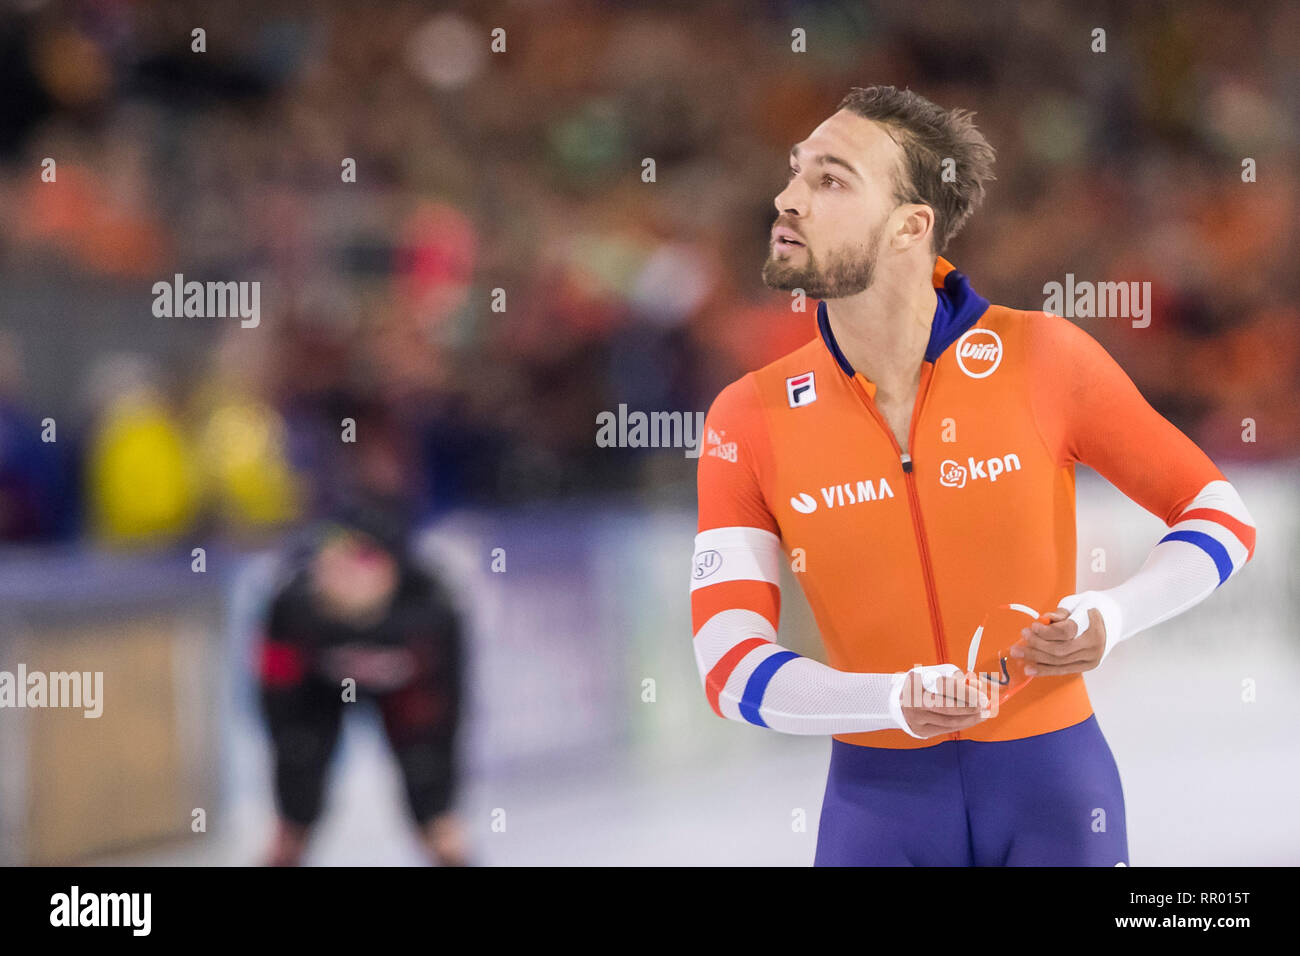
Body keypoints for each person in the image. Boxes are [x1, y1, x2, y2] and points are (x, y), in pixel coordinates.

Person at [691, 85, 1256, 866]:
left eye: (830, 179)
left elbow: (1220, 515)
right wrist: (890, 698)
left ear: (910, 227)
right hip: (876, 811)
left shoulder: (1045, 358)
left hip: (1055, 793)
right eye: (795, 173)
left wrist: (1112, 617)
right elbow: (726, 665)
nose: (787, 198)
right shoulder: (746, 416)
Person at [257, 493, 469, 865]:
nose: (342, 570)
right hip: (314, 692)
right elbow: (276, 695)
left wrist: (436, 797)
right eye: (332, 557)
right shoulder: (291, 609)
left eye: (361, 559)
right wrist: (295, 766)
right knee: (295, 809)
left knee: (434, 810)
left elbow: (449, 703)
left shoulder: (433, 610)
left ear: (390, 567)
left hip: (409, 694)